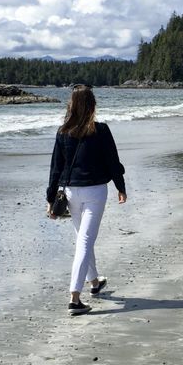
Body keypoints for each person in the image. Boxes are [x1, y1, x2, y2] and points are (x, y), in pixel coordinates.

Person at [46, 85, 128, 316]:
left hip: (71, 192)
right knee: (84, 241)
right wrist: (121, 187)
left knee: (83, 238)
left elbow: (55, 168)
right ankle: (74, 298)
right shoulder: (100, 130)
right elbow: (113, 161)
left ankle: (94, 282)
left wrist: (50, 198)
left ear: (71, 105)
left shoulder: (63, 132)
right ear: (92, 104)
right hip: (95, 192)